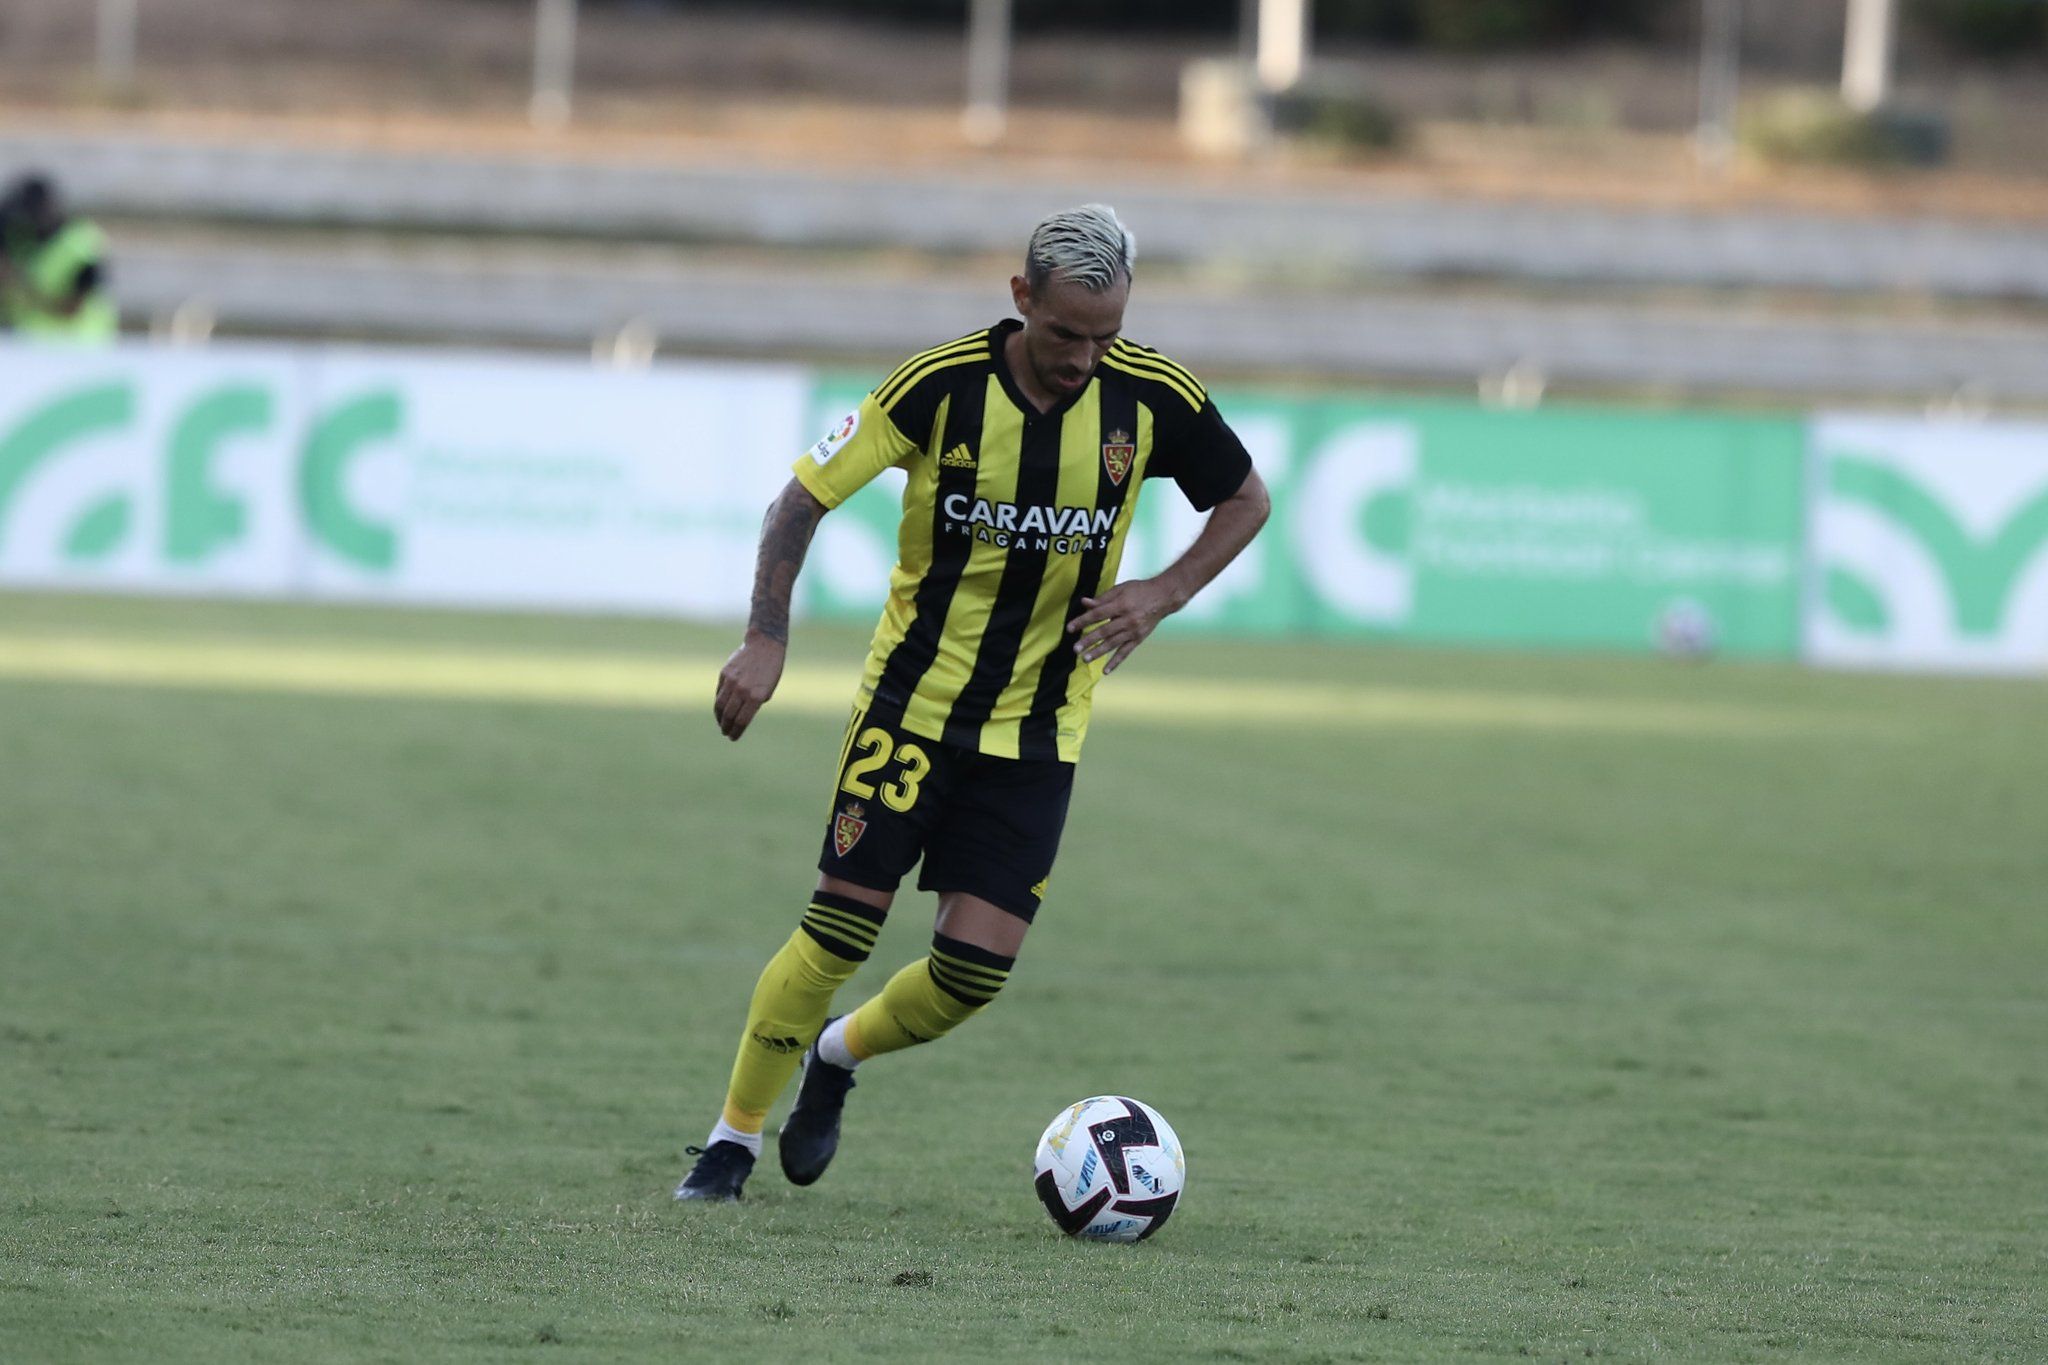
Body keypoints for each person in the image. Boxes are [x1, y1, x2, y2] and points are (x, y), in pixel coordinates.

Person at [675, 203, 1271, 1202]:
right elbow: (802, 497)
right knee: (838, 931)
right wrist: (766, 638)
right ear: (1019, 297)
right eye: (1064, 333)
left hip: (1039, 728)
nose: (1083, 357)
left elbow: (1245, 499)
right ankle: (727, 1145)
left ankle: (835, 1058)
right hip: (911, 707)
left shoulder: (1151, 398)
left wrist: (1160, 595)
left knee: (970, 977)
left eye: (1104, 336)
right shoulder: (938, 386)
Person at [0, 173, 118, 343]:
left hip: (77, 348)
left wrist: (18, 286)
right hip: (29, 347)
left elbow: (72, 309)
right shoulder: (22, 241)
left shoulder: (80, 244)